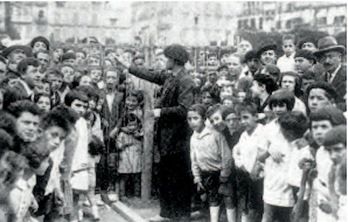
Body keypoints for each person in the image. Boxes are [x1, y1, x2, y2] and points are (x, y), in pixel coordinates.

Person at [115, 44, 195, 222]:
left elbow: (185, 109)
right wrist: (127, 66)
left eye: (166, 58)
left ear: (174, 60)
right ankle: (167, 214)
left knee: (179, 179)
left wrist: (160, 112)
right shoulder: (170, 77)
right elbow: (150, 75)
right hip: (167, 138)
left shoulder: (185, 81)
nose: (164, 62)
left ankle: (181, 215)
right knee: (167, 178)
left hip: (178, 139)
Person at [188, 104, 233, 222]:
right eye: (190, 119)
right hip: (207, 174)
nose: (192, 122)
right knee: (212, 199)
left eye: (195, 118)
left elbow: (226, 155)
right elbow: (194, 159)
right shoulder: (193, 138)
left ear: (203, 119)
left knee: (228, 198)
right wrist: (197, 177)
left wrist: (225, 173)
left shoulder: (215, 134)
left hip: (221, 173)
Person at [233, 102, 264, 222]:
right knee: (246, 203)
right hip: (245, 174)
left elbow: (263, 153)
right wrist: (240, 164)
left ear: (255, 117)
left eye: (246, 117)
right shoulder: (244, 135)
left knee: (257, 206)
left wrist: (257, 169)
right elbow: (236, 151)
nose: (243, 122)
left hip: (259, 177)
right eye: (240, 119)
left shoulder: (262, 132)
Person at [314, 36, 346, 101]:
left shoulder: (345, 76)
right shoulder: (319, 79)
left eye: (330, 56)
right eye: (323, 57)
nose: (327, 61)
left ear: (339, 57)